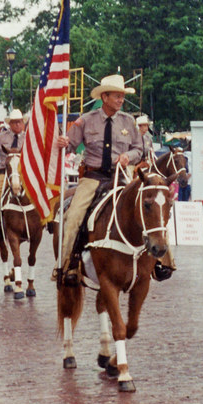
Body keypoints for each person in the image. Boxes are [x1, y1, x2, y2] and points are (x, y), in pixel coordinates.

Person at [55, 74, 144, 284]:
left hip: (121, 177)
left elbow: (139, 149)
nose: (121, 100)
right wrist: (61, 142)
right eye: (117, 96)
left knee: (148, 209)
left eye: (122, 96)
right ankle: (67, 265)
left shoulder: (129, 121)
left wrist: (128, 157)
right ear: (104, 97)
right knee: (73, 218)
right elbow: (68, 146)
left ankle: (161, 262)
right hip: (93, 178)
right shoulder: (85, 120)